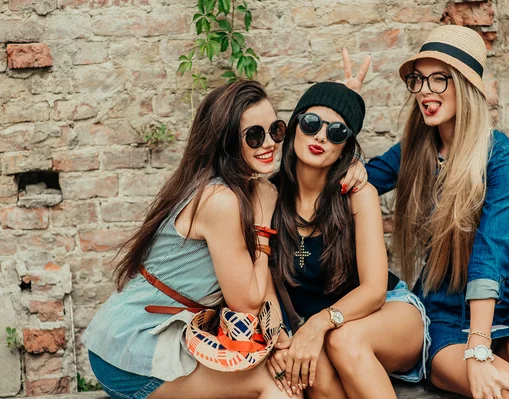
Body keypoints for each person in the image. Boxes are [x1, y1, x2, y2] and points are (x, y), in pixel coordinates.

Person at [362, 25, 509, 399]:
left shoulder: (503, 157)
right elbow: (356, 181)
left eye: (439, 79)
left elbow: (490, 252)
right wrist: (342, 109)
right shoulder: (414, 150)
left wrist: (479, 348)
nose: (425, 90)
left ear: (465, 84)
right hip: (443, 314)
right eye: (419, 80)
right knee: (507, 393)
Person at [82, 80, 303, 399]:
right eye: (255, 135)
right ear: (226, 141)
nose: (269, 143)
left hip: (155, 337)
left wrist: (278, 336)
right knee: (275, 386)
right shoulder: (220, 200)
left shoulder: (236, 190)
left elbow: (257, 282)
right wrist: (263, 223)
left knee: (284, 376)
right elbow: (247, 302)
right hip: (132, 351)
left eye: (276, 130)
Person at [266, 80, 431, 399]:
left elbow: (373, 290)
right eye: (312, 123)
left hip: (386, 313)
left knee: (343, 340)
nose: (321, 137)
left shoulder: (357, 194)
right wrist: (281, 339)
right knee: (314, 369)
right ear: (294, 126)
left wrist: (318, 323)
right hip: (326, 333)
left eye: (337, 132)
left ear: (346, 145)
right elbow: (261, 283)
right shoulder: (267, 196)